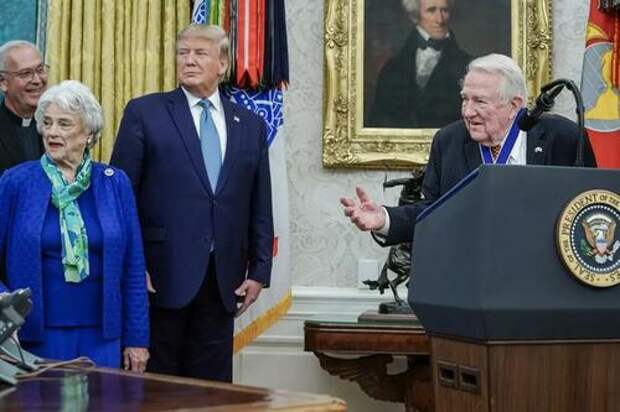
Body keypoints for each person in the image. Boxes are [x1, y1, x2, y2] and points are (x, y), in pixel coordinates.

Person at [110, 24, 273, 382]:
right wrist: (132, 266)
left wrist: (260, 270)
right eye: (183, 53)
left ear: (223, 64)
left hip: (223, 280)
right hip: (159, 277)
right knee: (158, 391)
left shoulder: (249, 124)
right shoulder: (145, 112)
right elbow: (119, 198)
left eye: (200, 53)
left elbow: (260, 202)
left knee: (212, 392)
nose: (189, 60)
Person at [344, 53, 597, 245]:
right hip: (472, 277)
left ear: (514, 105)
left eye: (480, 101)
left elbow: (589, 207)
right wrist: (383, 219)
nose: (468, 111)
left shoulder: (563, 137)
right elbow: (433, 212)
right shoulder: (449, 141)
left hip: (542, 276)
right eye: (465, 99)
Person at [0, 80, 149, 372]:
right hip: (31, 334)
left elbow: (133, 268)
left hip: (103, 336)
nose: (52, 132)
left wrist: (137, 339)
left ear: (88, 134)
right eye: (47, 123)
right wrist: (4, 304)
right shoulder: (15, 182)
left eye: (64, 124)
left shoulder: (114, 183)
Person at [367, 0, 471, 128]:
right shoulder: (393, 67)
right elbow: (378, 121)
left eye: (445, 10)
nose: (440, 19)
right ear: (414, 15)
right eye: (431, 10)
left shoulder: (467, 66)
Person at [0, 40, 47, 175]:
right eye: (25, 73)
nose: (37, 80)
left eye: (40, 70)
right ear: (3, 82)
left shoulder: (57, 125)